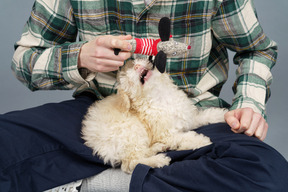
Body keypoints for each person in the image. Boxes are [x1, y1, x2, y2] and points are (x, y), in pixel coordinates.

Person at [1, 0, 288, 191]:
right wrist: (79, 57)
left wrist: (249, 103)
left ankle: (99, 184)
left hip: (193, 113)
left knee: (268, 176)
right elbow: (24, 60)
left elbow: (256, 49)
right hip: (107, 111)